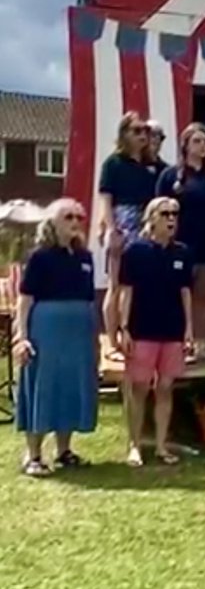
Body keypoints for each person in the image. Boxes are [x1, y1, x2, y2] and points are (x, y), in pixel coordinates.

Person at [14, 199, 98, 476]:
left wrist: (95, 334)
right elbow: (25, 300)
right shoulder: (40, 257)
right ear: (52, 223)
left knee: (71, 385)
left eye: (79, 216)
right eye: (68, 217)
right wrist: (22, 336)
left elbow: (89, 298)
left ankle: (64, 450)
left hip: (79, 331)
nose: (75, 222)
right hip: (46, 330)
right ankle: (33, 455)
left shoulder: (85, 257)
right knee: (43, 385)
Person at [119, 197, 193, 466]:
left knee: (165, 387)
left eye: (175, 213)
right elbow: (126, 292)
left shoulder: (183, 252)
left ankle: (161, 446)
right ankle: (134, 445)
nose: (171, 218)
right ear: (151, 218)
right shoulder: (135, 251)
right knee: (139, 388)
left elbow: (186, 293)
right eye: (165, 213)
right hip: (142, 330)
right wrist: (123, 328)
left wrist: (189, 329)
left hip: (172, 331)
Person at [156, 123, 205, 358]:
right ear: (185, 145)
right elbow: (158, 210)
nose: (203, 146)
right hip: (181, 246)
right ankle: (179, 344)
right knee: (178, 296)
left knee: (204, 297)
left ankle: (203, 344)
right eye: (197, 141)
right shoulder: (171, 176)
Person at [97, 112, 156, 360]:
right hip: (122, 221)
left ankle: (134, 334)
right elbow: (106, 199)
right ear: (124, 134)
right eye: (136, 131)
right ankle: (111, 342)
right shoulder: (113, 163)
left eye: (145, 131)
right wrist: (111, 229)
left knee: (140, 285)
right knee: (116, 284)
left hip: (147, 224)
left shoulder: (151, 165)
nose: (142, 135)